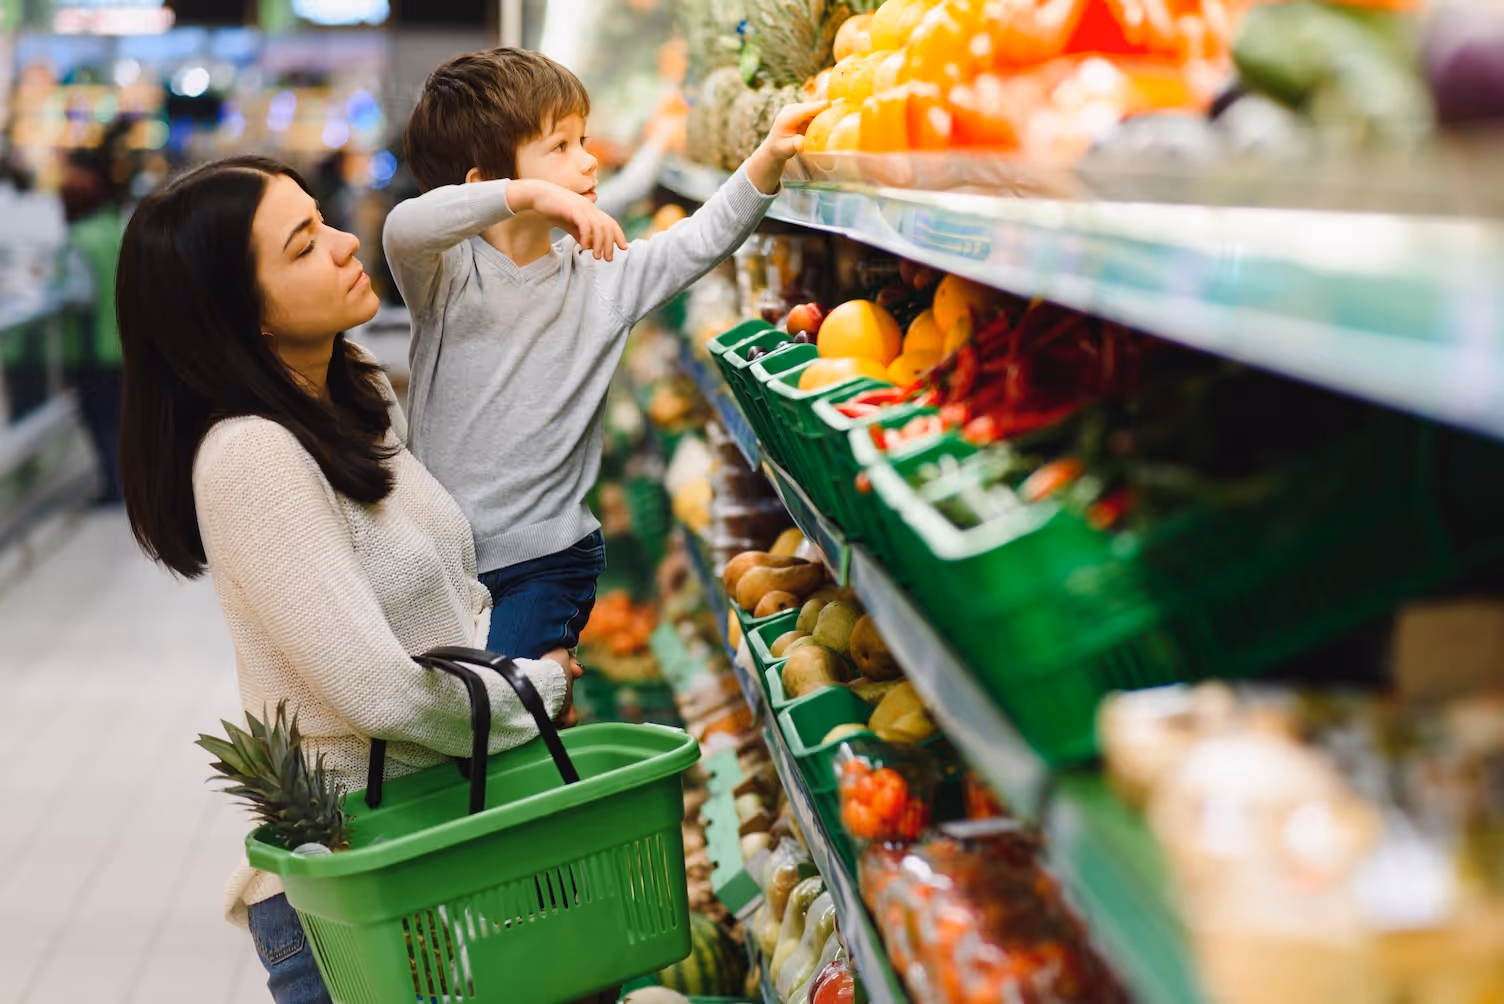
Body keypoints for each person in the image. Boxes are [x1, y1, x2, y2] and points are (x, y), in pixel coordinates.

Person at [115, 155, 586, 1004]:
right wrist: (534, 689)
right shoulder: (251, 456)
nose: (342, 243)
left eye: (323, 220)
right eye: (302, 247)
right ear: (236, 313)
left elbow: (448, 590)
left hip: (441, 843)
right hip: (361, 890)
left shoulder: (354, 385)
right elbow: (381, 692)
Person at [384, 47, 822, 661]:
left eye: (581, 139)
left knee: (509, 709)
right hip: (442, 556)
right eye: (560, 147)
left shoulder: (603, 277)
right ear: (486, 183)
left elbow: (699, 241)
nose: (588, 160)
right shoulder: (447, 277)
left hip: (547, 561)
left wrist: (767, 160)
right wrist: (529, 195)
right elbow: (405, 226)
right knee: (464, 722)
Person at [59, 143, 127, 502]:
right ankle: (125, 485)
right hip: (124, 343)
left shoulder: (78, 240)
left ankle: (113, 487)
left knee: (99, 418)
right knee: (120, 419)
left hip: (93, 348)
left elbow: (78, 296)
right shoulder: (117, 228)